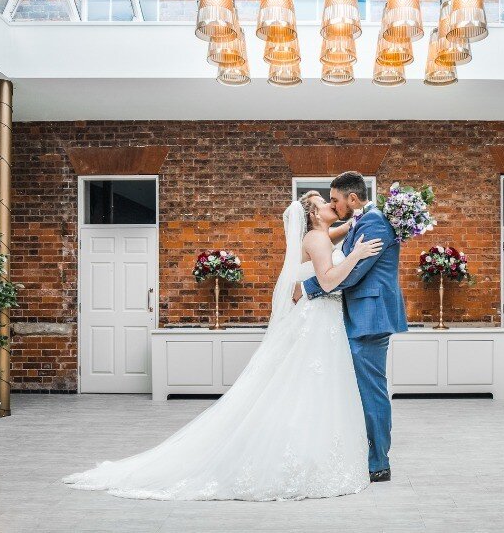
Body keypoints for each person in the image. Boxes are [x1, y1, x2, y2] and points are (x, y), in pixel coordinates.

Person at [62, 192, 381, 501]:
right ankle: (308, 458)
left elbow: (338, 233)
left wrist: (360, 221)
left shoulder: (319, 236)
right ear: (312, 214)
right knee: (312, 388)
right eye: (323, 202)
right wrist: (355, 254)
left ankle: (308, 452)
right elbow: (326, 281)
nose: (330, 204)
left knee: (306, 387)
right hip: (318, 319)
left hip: (318, 320)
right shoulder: (317, 240)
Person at [301, 171, 407, 483]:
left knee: (371, 391)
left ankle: (378, 463)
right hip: (358, 315)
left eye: (335, 199)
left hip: (369, 318)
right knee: (358, 390)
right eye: (328, 202)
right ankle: (363, 454)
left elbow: (354, 273)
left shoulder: (373, 221)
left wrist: (308, 287)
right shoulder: (362, 220)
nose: (333, 205)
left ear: (352, 198)